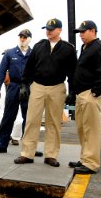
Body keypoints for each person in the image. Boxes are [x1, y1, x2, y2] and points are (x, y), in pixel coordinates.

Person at [15, 18, 77, 167]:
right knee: (31, 120)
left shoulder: (68, 49)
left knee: (53, 123)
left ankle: (51, 155)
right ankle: (27, 154)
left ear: (59, 30)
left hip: (57, 88)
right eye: (47, 28)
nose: (48, 31)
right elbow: (28, 68)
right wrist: (24, 85)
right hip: (37, 86)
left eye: (51, 28)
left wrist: (73, 91)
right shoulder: (39, 46)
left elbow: (73, 73)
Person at [68, 20, 101, 174]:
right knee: (82, 128)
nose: (81, 35)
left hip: (90, 94)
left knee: (91, 129)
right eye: (79, 32)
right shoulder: (85, 47)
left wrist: (95, 92)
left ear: (92, 31)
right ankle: (85, 158)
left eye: (83, 32)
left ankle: (91, 163)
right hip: (81, 93)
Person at [0, 29, 33, 153]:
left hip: (28, 88)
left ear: (29, 39)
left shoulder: (33, 54)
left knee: (28, 118)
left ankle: (30, 148)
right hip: (13, 87)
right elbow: (1, 72)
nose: (22, 39)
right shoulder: (10, 53)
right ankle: (1, 144)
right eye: (21, 37)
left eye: (25, 37)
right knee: (8, 116)